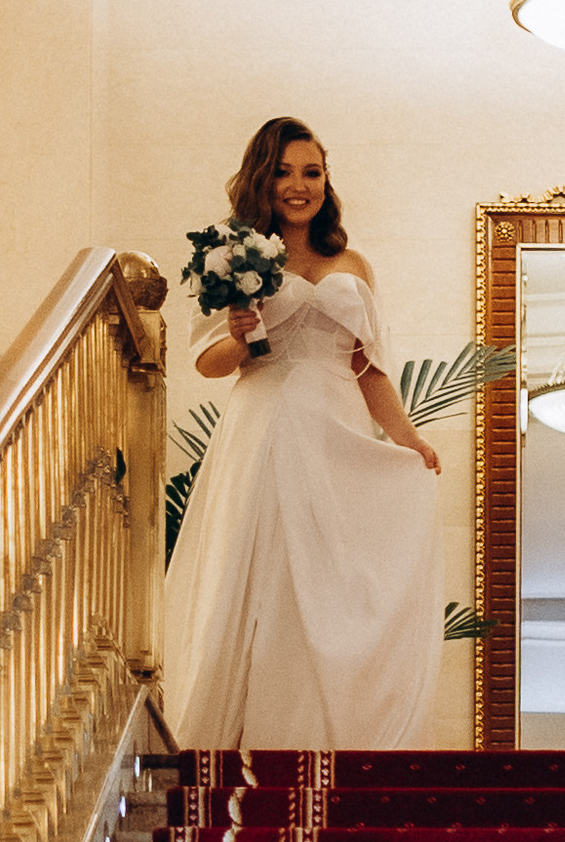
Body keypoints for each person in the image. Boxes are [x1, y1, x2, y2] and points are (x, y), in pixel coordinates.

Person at [165, 117, 445, 751]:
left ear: (327, 179)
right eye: (284, 172)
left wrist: (405, 436)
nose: (299, 186)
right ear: (262, 181)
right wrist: (239, 332)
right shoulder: (232, 258)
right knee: (267, 570)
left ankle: (328, 734)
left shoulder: (353, 263)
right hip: (265, 418)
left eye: (312, 172)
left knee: (335, 580)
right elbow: (208, 363)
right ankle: (249, 737)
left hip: (338, 425)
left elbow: (366, 363)